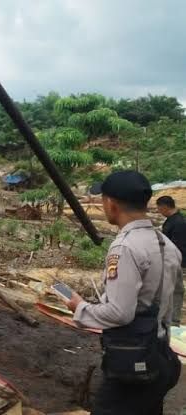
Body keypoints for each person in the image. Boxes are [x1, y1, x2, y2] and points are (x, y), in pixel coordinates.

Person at [66, 171, 182, 415]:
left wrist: (80, 308)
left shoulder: (125, 246)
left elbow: (120, 313)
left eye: (102, 199)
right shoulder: (166, 245)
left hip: (134, 362)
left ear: (111, 203)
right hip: (161, 357)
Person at [156, 195, 186, 326]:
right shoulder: (171, 220)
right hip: (169, 260)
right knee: (168, 289)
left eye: (159, 209)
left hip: (175, 261)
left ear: (164, 207)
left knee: (176, 290)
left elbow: (177, 246)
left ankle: (174, 320)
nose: (159, 212)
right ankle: (165, 317)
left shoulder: (178, 223)